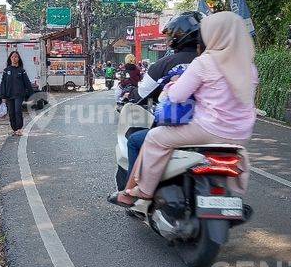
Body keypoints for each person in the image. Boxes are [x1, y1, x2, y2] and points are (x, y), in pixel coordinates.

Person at [109, 11, 258, 206]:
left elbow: (176, 96)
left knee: (153, 138)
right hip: (241, 135)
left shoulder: (204, 62)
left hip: (207, 130)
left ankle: (141, 191)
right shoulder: (249, 67)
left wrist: (171, 83)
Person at [116, 11, 205, 191]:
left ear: (176, 37)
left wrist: (130, 93)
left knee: (134, 141)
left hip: (181, 127)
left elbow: (142, 93)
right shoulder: (215, 62)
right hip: (220, 130)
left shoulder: (163, 65)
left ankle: (134, 191)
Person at [0, 51, 33, 136]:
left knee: (18, 111)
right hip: (9, 95)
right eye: (12, 57)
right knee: (11, 113)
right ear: (10, 58)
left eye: (16, 57)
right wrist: (3, 96)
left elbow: (27, 83)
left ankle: (19, 129)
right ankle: (14, 129)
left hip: (19, 95)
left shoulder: (22, 71)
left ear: (18, 59)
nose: (14, 58)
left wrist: (32, 95)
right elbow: (3, 83)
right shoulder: (6, 70)